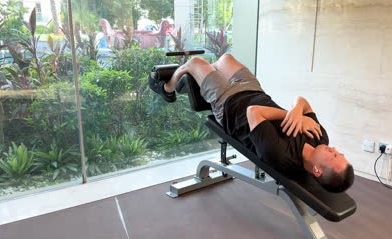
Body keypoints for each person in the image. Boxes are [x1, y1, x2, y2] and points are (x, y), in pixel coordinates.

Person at [149, 54, 354, 193]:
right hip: (254, 90)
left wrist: (289, 115)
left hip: (229, 104)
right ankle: (203, 75)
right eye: (339, 153)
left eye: (333, 156)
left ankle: (167, 89)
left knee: (194, 62)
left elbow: (253, 112)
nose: (333, 149)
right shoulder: (320, 138)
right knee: (225, 58)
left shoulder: (280, 156)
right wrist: (297, 111)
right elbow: (303, 101)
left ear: (317, 170)